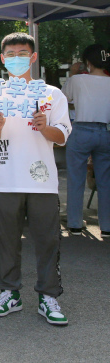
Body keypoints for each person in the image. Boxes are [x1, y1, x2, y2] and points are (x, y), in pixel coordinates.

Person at [0, 33, 72, 325]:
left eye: (22, 53)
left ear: (32, 57)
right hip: (7, 180)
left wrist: (44, 128)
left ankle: (48, 296)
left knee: (47, 241)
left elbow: (62, 136)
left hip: (42, 181)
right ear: (2, 59)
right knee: (6, 241)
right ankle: (9, 293)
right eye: (11, 54)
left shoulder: (51, 94)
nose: (16, 58)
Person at [61, 44, 110, 236]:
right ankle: (106, 226)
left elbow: (63, 99)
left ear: (87, 62)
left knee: (76, 178)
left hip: (81, 129)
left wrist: (73, 73)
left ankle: (75, 223)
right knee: (105, 181)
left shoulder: (78, 79)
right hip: (105, 130)